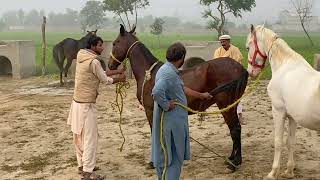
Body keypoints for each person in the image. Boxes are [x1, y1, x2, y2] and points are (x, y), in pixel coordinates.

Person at [67, 36, 126, 180]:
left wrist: (117, 71)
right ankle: (88, 173)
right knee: (90, 139)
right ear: (93, 46)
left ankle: (82, 166)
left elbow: (100, 74)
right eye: (100, 45)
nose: (102, 48)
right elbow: (105, 80)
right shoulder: (94, 61)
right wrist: (120, 78)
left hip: (76, 103)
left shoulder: (82, 56)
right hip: (86, 106)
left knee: (79, 137)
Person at [151, 42, 212, 180]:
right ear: (182, 57)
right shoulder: (168, 73)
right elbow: (156, 92)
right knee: (173, 157)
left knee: (166, 156)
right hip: (171, 122)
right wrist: (166, 105)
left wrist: (201, 95)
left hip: (171, 121)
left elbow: (181, 88)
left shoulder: (168, 69)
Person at [213, 34, 246, 125]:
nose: (222, 43)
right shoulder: (218, 51)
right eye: (221, 42)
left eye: (224, 41)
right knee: (225, 98)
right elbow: (216, 64)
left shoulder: (235, 50)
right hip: (223, 78)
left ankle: (240, 116)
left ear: (228, 41)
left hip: (235, 77)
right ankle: (227, 117)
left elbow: (236, 63)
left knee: (237, 97)